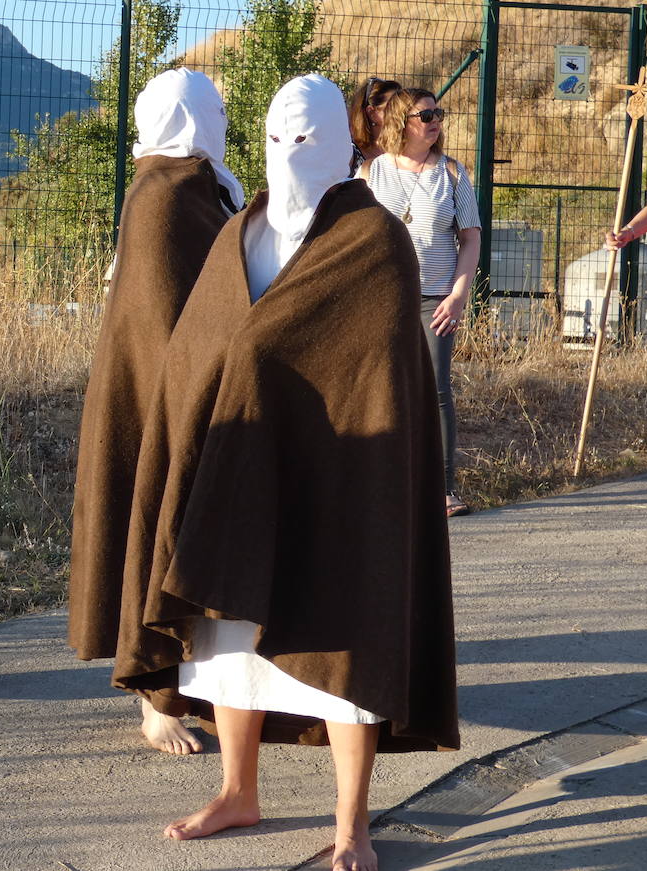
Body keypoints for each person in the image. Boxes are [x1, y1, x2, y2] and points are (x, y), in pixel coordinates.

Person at [113, 75, 459, 871]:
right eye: (276, 137)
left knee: (345, 649)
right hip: (241, 473)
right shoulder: (243, 229)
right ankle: (239, 791)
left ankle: (352, 826)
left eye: (305, 139)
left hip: (343, 481)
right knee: (226, 638)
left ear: (340, 144)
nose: (289, 154)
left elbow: (375, 373)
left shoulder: (374, 241)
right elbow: (202, 350)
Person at [69, 68, 244, 756]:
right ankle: (154, 696)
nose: (222, 121)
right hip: (158, 394)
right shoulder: (160, 197)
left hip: (201, 387)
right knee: (156, 523)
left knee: (187, 532)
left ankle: (189, 679)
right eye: (213, 111)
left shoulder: (205, 186)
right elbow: (162, 317)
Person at [365, 88, 482, 517]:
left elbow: (470, 238)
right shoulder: (373, 173)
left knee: (435, 391)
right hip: (382, 300)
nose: (435, 120)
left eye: (438, 112)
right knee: (382, 391)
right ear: (401, 122)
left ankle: (444, 489)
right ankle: (383, 486)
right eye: (425, 114)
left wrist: (457, 295)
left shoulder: (452, 173)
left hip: (434, 300)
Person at [347, 77, 401, 166]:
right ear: (372, 113)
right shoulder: (350, 154)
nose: (401, 112)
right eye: (393, 107)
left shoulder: (405, 147)